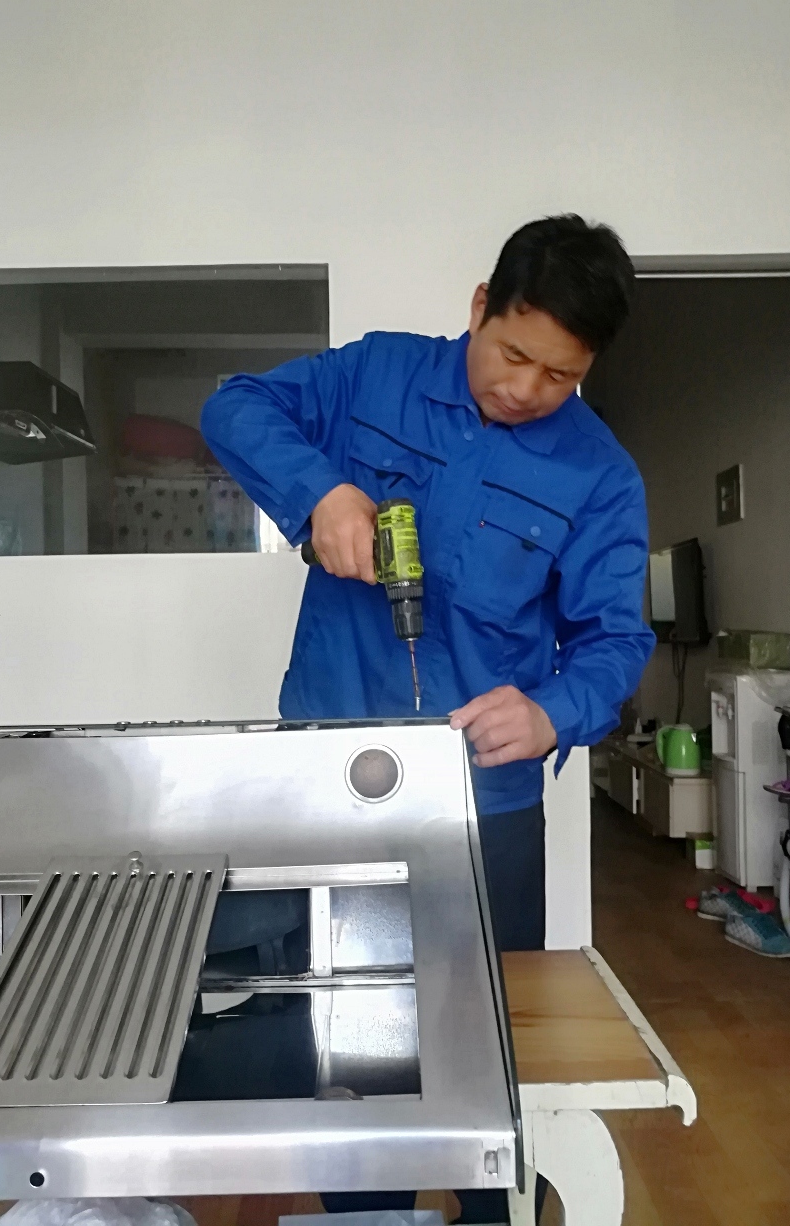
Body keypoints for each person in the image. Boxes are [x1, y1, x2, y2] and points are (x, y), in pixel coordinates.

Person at [200, 214, 655, 1222]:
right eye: (514, 354)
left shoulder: (600, 475)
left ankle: (492, 1205)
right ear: (480, 307)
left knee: (487, 1032)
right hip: (332, 783)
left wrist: (551, 711)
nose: (527, 389)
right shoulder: (378, 377)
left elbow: (616, 638)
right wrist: (321, 492)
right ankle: (372, 1209)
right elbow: (232, 405)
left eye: (562, 375)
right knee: (350, 1033)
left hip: (485, 802)